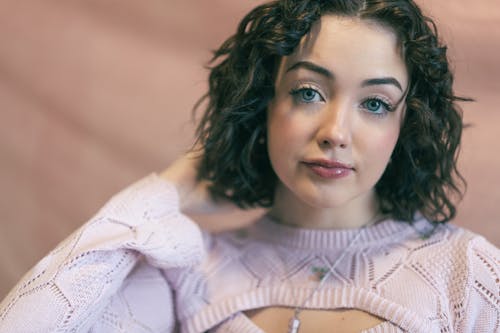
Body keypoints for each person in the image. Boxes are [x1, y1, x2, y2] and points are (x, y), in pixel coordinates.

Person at [0, 0, 498, 332]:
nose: (335, 132)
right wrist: (172, 189)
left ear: (406, 124)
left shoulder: (466, 274)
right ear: (263, 101)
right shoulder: (188, 272)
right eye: (308, 92)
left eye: (375, 104)